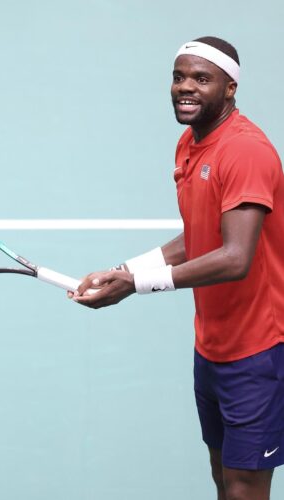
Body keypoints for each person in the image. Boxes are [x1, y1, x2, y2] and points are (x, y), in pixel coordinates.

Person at [72, 37, 284, 500]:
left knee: (244, 489)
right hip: (211, 346)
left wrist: (136, 284)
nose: (185, 88)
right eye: (178, 76)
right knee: (222, 476)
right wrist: (123, 269)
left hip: (259, 351)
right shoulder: (191, 143)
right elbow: (202, 234)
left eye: (201, 79)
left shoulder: (244, 152)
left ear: (230, 88)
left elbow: (235, 256)